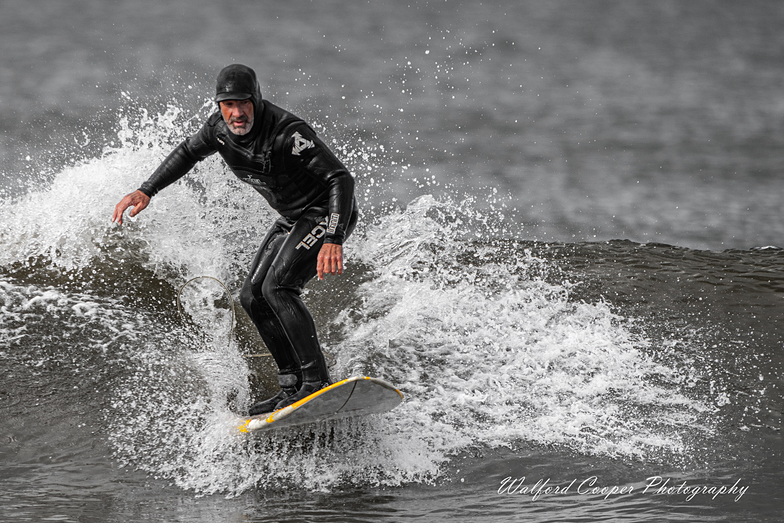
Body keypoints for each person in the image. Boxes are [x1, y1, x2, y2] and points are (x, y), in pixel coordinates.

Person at [112, 64, 358, 416]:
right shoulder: (219, 130)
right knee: (252, 296)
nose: (237, 113)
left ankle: (315, 381)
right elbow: (186, 152)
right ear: (219, 105)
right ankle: (291, 386)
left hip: (324, 213)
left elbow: (340, 178)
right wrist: (146, 189)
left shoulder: (288, 133)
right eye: (228, 104)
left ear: (256, 100)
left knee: (279, 288)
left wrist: (333, 236)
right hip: (292, 219)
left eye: (243, 103)